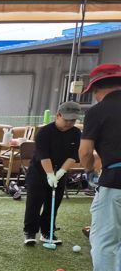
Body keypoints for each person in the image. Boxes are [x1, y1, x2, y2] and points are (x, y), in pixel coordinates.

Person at [76, 63, 121, 271]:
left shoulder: (98, 111)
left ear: (96, 89)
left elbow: (85, 151)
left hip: (115, 182)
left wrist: (89, 168)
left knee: (104, 237)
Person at [22, 101, 83, 246]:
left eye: (73, 120)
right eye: (67, 119)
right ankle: (30, 232)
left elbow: (73, 155)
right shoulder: (44, 132)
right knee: (34, 203)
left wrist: (61, 172)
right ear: (58, 115)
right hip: (39, 171)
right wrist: (50, 174)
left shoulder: (76, 133)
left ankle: (47, 232)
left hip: (59, 172)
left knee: (53, 204)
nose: (70, 123)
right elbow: (43, 155)